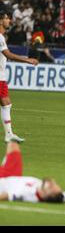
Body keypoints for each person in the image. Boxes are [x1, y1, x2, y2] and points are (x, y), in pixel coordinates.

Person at [0, 11, 38, 143]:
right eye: (6, 18)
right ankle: (9, 134)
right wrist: (27, 60)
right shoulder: (0, 38)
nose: (9, 21)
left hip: (1, 77)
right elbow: (8, 55)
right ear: (0, 21)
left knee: (6, 104)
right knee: (6, 103)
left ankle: (9, 134)